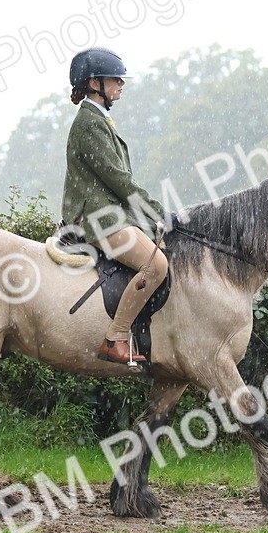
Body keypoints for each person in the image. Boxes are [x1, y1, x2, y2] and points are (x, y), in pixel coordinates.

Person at [61, 47, 168, 367]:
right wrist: (155, 211)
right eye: (115, 79)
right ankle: (116, 337)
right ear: (95, 83)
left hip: (109, 211)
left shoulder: (101, 119)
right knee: (156, 265)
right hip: (97, 216)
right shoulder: (90, 123)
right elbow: (118, 179)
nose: (122, 83)